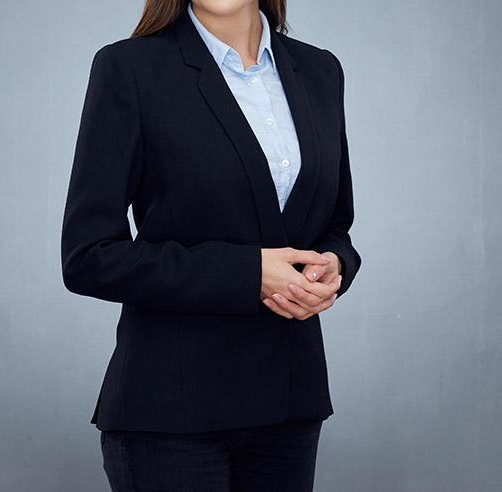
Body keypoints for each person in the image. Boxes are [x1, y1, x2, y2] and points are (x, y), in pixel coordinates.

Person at [60, 0, 361, 490]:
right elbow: (88, 257)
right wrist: (248, 274)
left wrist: (332, 266)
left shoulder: (320, 70)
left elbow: (334, 225)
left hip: (289, 407)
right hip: (170, 409)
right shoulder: (130, 68)